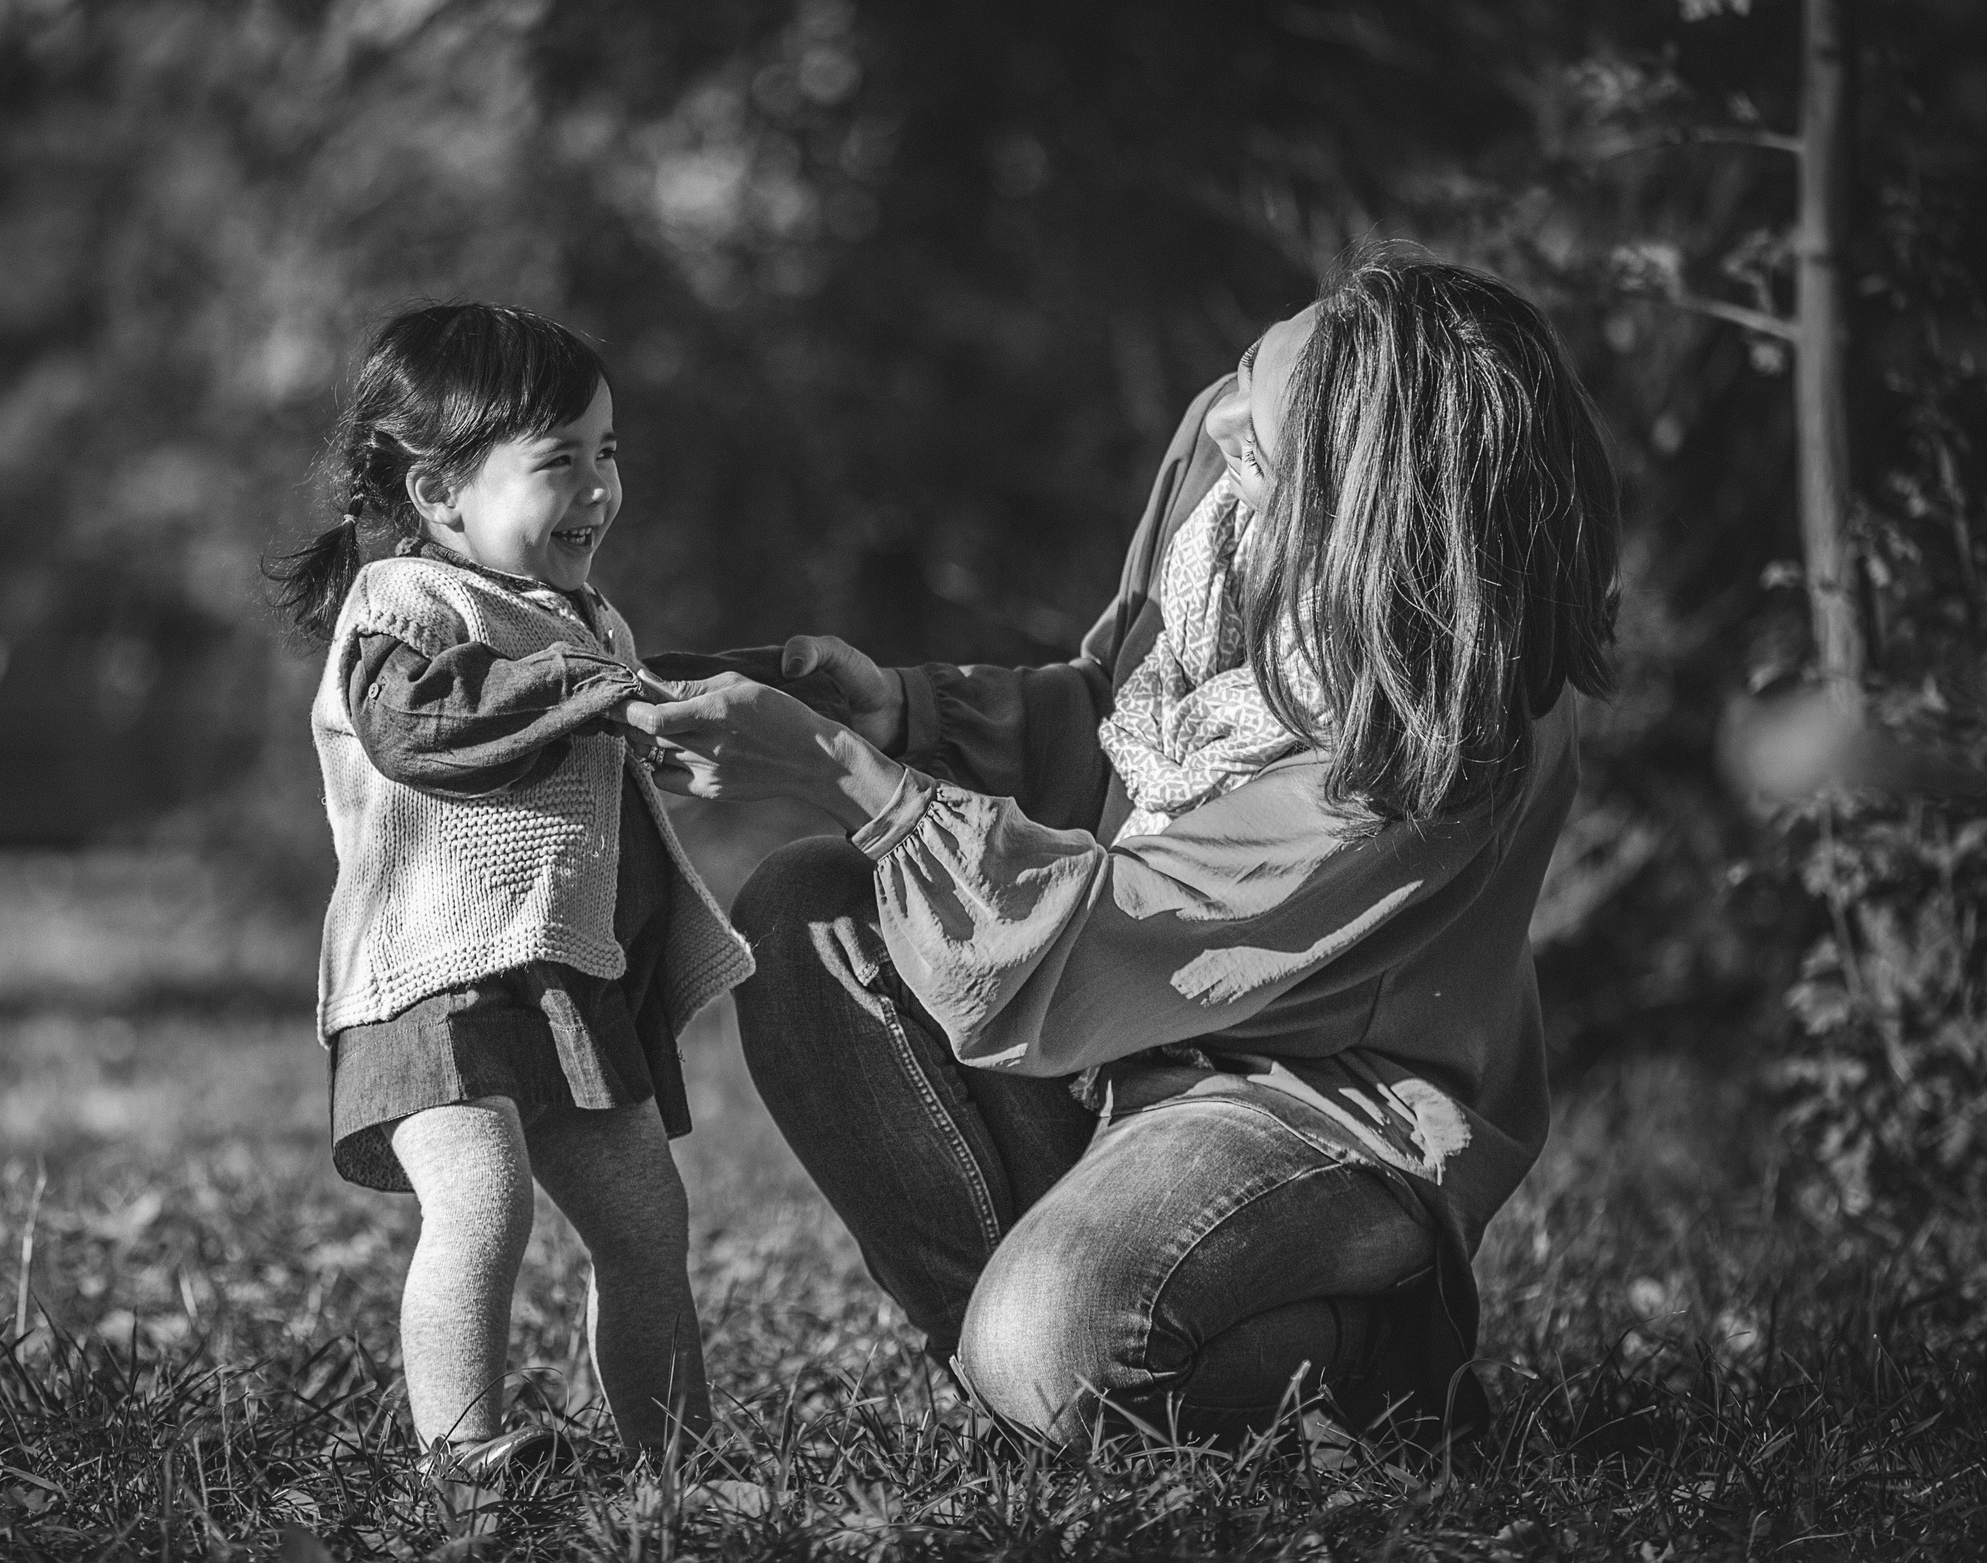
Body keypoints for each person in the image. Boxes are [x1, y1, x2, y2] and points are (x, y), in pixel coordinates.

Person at [623, 248, 1621, 1446]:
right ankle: (1030, 1369)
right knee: (809, 910)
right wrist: (903, 717)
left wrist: (841, 774)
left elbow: (1138, 926)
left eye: (1270, 435)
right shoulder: (1229, 490)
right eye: (1248, 370)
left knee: (1049, 1343)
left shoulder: (1436, 738)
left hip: (1312, 1108)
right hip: (1128, 1054)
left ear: (1367, 511)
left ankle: (1374, 1362)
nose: (1226, 419)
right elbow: (1123, 727)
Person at [270, 302, 754, 1474]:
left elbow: (606, 706)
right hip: (433, 981)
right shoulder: (402, 602)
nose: (598, 488)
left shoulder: (583, 622)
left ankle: (676, 1468)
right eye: (559, 461)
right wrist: (597, 693)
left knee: (648, 1225)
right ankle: (463, 1463)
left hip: (567, 985)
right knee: (483, 1203)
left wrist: (693, 705)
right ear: (439, 493)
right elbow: (420, 727)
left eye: (608, 453)